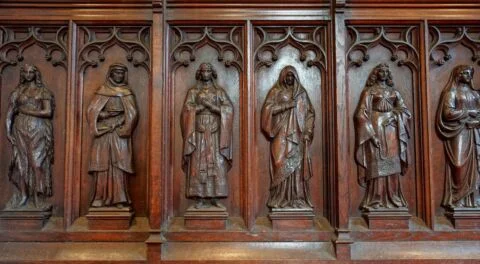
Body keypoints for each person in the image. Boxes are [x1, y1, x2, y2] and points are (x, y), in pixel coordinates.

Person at [354, 63, 411, 210]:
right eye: (381, 71)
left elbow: (405, 111)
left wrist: (395, 116)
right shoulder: (370, 92)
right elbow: (361, 114)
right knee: (378, 162)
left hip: (392, 129)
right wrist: (371, 135)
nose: (384, 73)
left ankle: (393, 197)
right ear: (376, 73)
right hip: (375, 127)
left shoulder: (394, 92)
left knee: (392, 161)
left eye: (387, 71)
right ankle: (375, 199)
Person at [261, 65, 315, 209]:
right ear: (283, 77)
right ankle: (280, 197)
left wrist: (308, 131)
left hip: (297, 134)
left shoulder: (301, 94)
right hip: (280, 131)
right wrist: (287, 105)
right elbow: (267, 110)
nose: (290, 79)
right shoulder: (275, 92)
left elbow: (310, 114)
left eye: (292, 76)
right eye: (288, 76)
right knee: (279, 162)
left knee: (296, 165)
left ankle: (296, 197)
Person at [181, 63, 234, 209]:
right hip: (198, 132)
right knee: (199, 163)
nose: (206, 73)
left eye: (208, 71)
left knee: (216, 163)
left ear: (212, 73)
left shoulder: (219, 92)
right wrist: (199, 108)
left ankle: (215, 197)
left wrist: (212, 107)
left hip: (215, 132)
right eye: (203, 71)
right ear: (200, 73)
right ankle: (199, 197)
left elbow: (228, 109)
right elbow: (186, 111)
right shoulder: (193, 92)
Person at [87, 63, 138, 208]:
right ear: (111, 74)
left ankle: (119, 198)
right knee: (102, 163)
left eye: (121, 73)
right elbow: (92, 110)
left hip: (119, 132)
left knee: (119, 165)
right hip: (103, 131)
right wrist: (103, 114)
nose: (119, 76)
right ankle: (99, 197)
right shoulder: (102, 90)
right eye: (116, 73)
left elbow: (132, 113)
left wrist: (122, 122)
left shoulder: (126, 92)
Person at [6, 64, 54, 209]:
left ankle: (38, 195)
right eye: (25, 72)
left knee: (37, 163)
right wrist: (8, 132)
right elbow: (9, 114)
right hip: (19, 128)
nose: (28, 75)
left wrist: (27, 111)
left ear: (35, 74)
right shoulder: (17, 92)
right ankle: (24, 195)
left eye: (31, 72)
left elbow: (48, 112)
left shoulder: (43, 91)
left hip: (38, 128)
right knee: (21, 164)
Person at [436, 65, 480, 209]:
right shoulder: (451, 92)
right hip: (458, 132)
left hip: (474, 131)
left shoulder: (475, 94)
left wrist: (476, 120)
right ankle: (457, 198)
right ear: (458, 75)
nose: (468, 76)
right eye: (465, 73)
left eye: (469, 73)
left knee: (476, 164)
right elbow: (447, 113)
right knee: (459, 163)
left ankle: (472, 199)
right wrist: (468, 112)